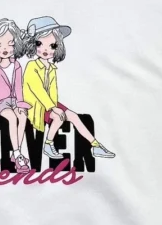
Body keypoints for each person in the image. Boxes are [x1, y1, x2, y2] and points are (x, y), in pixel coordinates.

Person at [22, 16, 116, 160]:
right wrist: (53, 108)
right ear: (32, 44)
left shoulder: (52, 68)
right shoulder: (31, 66)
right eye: (39, 44)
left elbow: (53, 92)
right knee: (59, 117)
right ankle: (48, 144)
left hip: (50, 103)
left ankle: (95, 145)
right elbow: (37, 90)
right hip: (34, 105)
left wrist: (54, 106)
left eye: (52, 45)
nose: (46, 49)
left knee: (73, 116)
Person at [0, 18, 31, 173]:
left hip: (14, 100)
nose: (5, 49)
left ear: (16, 45)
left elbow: (18, 87)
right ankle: (17, 154)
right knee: (12, 118)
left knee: (23, 116)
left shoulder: (17, 65)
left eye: (10, 44)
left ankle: (17, 153)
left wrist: (20, 103)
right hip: (1, 103)